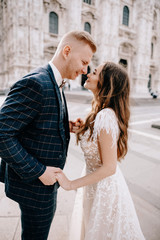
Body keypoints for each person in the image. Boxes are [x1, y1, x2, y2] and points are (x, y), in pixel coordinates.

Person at [0, 30, 96, 240]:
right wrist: (39, 171)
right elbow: (2, 134)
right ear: (67, 51)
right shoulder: (37, 83)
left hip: (43, 185)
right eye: (83, 61)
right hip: (35, 186)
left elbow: (35, 118)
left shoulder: (54, 80)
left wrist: (64, 124)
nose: (85, 69)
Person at [56, 62, 146, 240]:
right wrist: (83, 129)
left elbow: (109, 167)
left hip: (103, 188)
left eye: (95, 72)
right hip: (97, 185)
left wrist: (70, 184)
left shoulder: (105, 116)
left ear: (106, 83)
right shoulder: (102, 112)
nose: (88, 73)